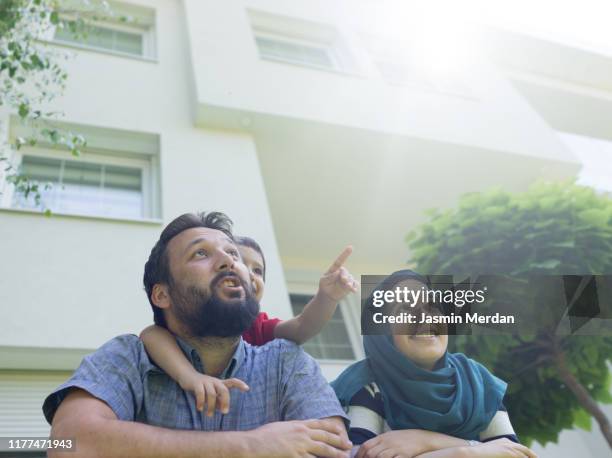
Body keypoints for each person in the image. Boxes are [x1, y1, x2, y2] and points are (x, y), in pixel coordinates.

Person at [43, 211, 352, 458]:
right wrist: (249, 447)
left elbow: (333, 449)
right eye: (200, 253)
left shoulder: (287, 361)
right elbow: (70, 444)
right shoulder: (129, 358)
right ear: (162, 295)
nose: (230, 260)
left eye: (232, 253)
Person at [140, 235, 358, 415]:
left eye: (258, 270)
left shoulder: (259, 327)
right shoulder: (188, 321)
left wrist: (327, 297)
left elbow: (302, 327)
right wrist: (189, 375)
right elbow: (152, 334)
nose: (250, 275)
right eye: (241, 263)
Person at [332, 270, 537, 458]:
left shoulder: (476, 382)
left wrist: (428, 441)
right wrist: (477, 452)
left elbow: (514, 454)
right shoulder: (366, 384)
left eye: (432, 306)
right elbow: (358, 454)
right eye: (405, 308)